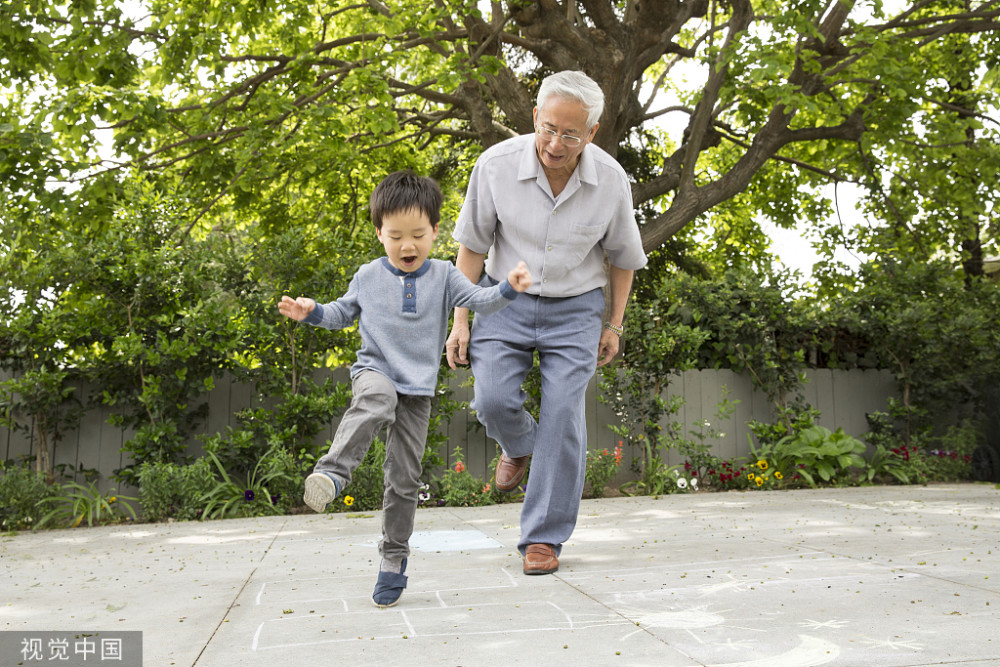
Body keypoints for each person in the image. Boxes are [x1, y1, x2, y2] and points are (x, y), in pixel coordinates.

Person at [279, 169, 532, 608]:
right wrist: (311, 311)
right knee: (377, 398)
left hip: (418, 388)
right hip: (375, 370)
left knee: (404, 477)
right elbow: (341, 313)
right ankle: (333, 473)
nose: (408, 245)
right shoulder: (367, 275)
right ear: (380, 234)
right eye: (396, 236)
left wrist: (508, 287)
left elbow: (480, 301)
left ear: (435, 231)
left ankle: (393, 560)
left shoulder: (446, 276)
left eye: (418, 234)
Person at [446, 71, 647, 576]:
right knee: (491, 399)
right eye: (549, 128)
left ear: (592, 133)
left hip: (576, 307)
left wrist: (614, 325)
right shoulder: (494, 167)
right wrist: (460, 321)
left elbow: (623, 258)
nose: (556, 144)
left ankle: (543, 539)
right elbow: (471, 249)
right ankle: (517, 445)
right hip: (504, 299)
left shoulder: (611, 182)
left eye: (571, 134)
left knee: (563, 416)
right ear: (535, 117)